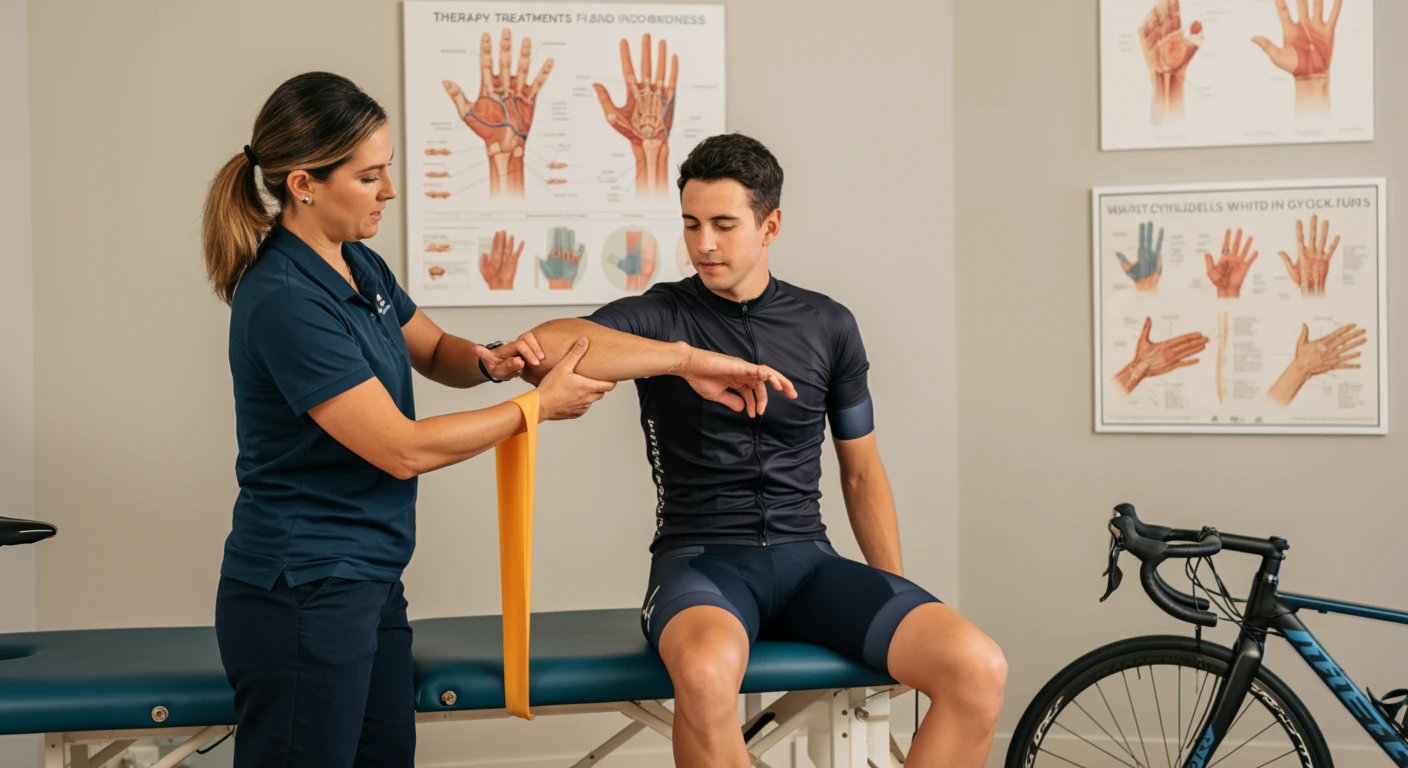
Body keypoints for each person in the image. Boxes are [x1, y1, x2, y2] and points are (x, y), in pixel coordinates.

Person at [199, 73, 792, 767]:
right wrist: (535, 409)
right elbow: (401, 449)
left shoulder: (357, 263)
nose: (390, 190)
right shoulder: (284, 300)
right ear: (304, 184)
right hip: (301, 590)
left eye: (386, 168)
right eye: (369, 176)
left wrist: (492, 361)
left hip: (367, 582)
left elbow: (434, 350)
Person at [516, 133, 1008, 767]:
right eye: (691, 224)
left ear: (770, 224)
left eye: (723, 224)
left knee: (978, 667)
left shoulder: (829, 325)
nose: (704, 244)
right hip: (701, 562)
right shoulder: (663, 315)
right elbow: (550, 343)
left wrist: (892, 589)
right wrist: (681, 360)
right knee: (704, 673)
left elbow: (861, 473)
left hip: (810, 563)